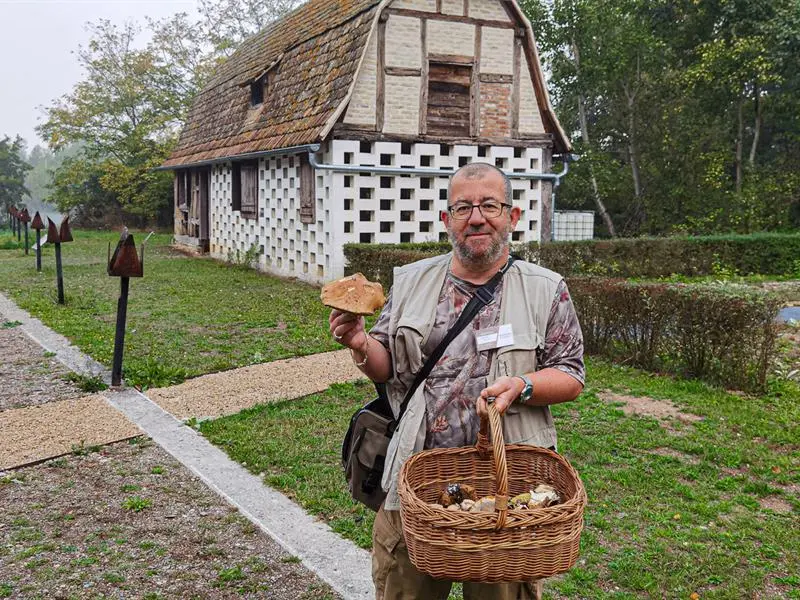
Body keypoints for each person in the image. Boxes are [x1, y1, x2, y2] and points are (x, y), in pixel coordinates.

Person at [329, 162, 585, 600]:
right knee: (404, 590)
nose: (477, 217)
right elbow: (387, 366)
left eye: (490, 205)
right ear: (447, 220)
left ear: (512, 217)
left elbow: (571, 373)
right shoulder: (410, 282)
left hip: (508, 489)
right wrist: (359, 342)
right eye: (463, 207)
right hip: (417, 480)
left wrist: (522, 385)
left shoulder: (546, 288)